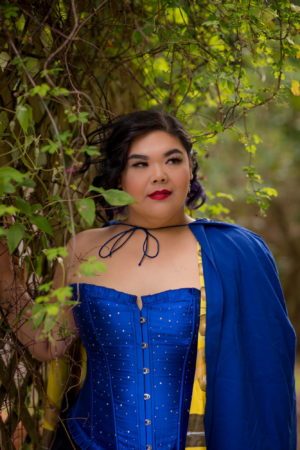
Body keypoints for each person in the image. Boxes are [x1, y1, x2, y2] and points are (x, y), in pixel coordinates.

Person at [0, 110, 297, 450]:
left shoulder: (235, 254)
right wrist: (6, 276)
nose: (159, 175)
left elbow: (267, 379)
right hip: (86, 442)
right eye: (140, 164)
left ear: (190, 168)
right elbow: (47, 343)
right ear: (118, 177)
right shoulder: (82, 248)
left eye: (172, 160)